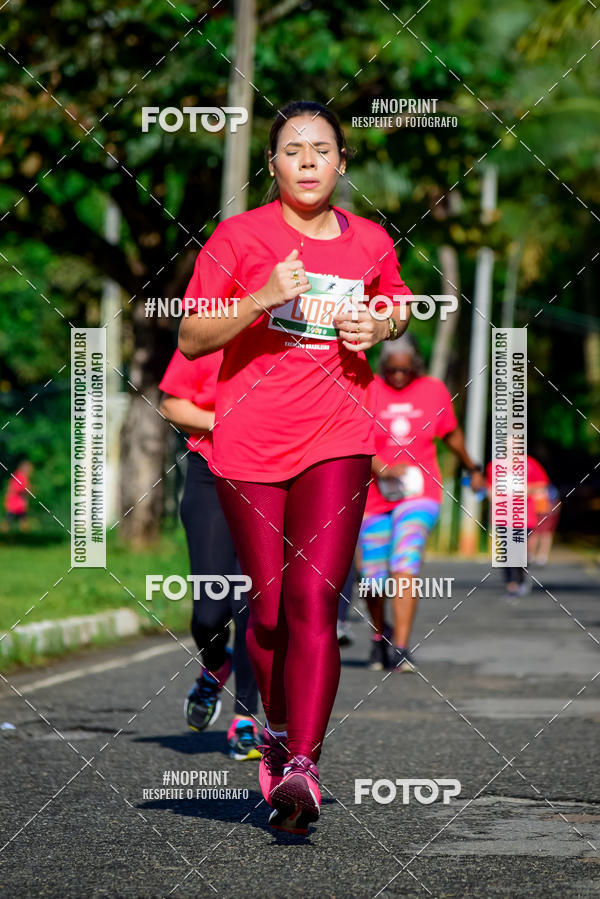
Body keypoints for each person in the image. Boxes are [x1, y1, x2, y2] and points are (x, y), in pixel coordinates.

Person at [178, 99, 413, 834]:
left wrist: (381, 321)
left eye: (321, 149)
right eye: (292, 150)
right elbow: (190, 337)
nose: (307, 161)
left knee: (316, 600)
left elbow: (397, 304)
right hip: (248, 446)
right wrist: (262, 297)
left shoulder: (370, 240)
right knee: (271, 609)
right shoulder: (240, 236)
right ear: (273, 165)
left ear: (342, 164)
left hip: (339, 436)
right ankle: (276, 739)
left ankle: (305, 763)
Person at [360, 334, 487, 672]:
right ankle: (378, 635)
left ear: (416, 365)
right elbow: (353, 437)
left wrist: (473, 466)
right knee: (372, 575)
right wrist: (382, 469)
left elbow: (451, 433)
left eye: (405, 369)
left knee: (405, 557)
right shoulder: (367, 387)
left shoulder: (433, 389)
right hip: (375, 495)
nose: (399, 376)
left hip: (420, 492)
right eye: (392, 370)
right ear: (382, 367)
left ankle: (401, 647)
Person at [159, 349, 261, 761]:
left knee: (254, 607)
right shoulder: (212, 335)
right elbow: (171, 402)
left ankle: (245, 722)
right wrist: (224, 422)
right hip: (210, 471)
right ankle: (216, 664)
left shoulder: (292, 341)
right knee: (208, 614)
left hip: (271, 476)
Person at [486, 452, 559, 596]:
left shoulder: (530, 464)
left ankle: (520, 577)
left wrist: (525, 490)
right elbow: (489, 486)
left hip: (524, 515)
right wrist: (493, 495)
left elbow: (543, 484)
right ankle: (511, 583)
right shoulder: (494, 466)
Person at [3, 459, 33, 531]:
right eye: (28, 468)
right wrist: (27, 491)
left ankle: (25, 537)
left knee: (24, 522)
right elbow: (16, 489)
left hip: (20, 505)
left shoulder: (24, 477)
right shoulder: (18, 476)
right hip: (14, 505)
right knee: (7, 522)